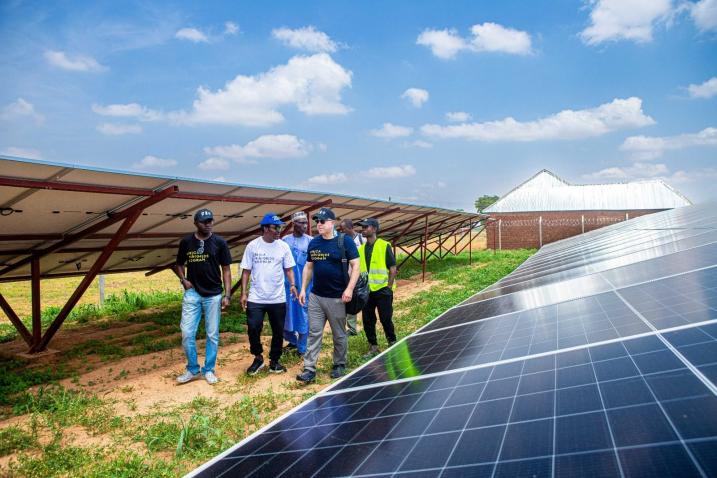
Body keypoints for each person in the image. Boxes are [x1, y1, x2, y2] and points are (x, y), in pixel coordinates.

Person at [296, 207, 360, 383]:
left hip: (337, 297)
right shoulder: (314, 243)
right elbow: (309, 267)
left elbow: (356, 266)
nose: (319, 224)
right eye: (317, 221)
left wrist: (349, 289)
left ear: (332, 223)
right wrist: (303, 289)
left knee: (339, 334)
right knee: (314, 333)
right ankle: (309, 369)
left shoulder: (344, 242)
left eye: (322, 221)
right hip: (316, 297)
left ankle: (339, 364)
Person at [174, 208, 232, 385]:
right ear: (195, 223)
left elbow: (226, 270)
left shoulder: (220, 242)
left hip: (213, 294)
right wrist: (183, 279)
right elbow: (178, 264)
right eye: (204, 222)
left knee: (212, 334)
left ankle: (209, 370)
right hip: (192, 293)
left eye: (210, 221)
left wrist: (227, 294)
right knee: (187, 332)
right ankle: (192, 369)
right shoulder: (186, 242)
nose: (208, 224)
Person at [240, 213, 298, 375]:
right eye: (275, 227)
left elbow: (289, 269)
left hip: (277, 298)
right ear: (265, 228)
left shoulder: (283, 247)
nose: (279, 231)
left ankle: (274, 361)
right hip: (256, 298)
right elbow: (246, 271)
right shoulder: (253, 246)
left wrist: (293, 285)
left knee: (278, 331)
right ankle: (258, 357)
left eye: (279, 227)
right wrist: (243, 293)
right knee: (253, 327)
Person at [357, 217, 398, 357]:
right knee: (368, 320)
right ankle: (373, 346)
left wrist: (389, 287)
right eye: (362, 227)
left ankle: (392, 341)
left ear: (374, 229)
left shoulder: (384, 245)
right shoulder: (360, 249)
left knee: (385, 318)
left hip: (382, 290)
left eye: (366, 227)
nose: (363, 229)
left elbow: (393, 268)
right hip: (367, 291)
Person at [282, 211, 312, 356]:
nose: (305, 225)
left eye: (306, 222)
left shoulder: (311, 241)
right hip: (288, 286)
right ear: (294, 223)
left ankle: (302, 347)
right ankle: (292, 341)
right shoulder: (284, 241)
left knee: (303, 315)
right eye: (301, 222)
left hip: (305, 286)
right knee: (287, 314)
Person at [337, 218, 364, 336]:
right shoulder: (342, 241)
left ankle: (367, 324)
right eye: (340, 229)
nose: (341, 232)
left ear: (351, 228)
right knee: (350, 300)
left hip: (361, 275)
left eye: (343, 229)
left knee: (363, 299)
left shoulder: (361, 239)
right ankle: (352, 328)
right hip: (348, 276)